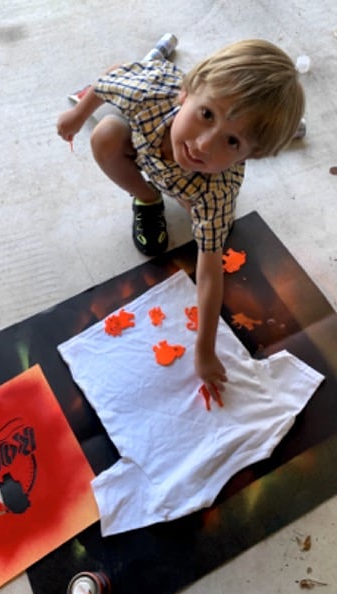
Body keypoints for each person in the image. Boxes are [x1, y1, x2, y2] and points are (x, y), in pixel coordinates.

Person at [57, 39, 305, 399]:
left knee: (212, 220)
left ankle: (276, 135)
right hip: (144, 146)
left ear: (249, 157)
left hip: (196, 185)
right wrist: (78, 115)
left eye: (232, 141)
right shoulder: (149, 93)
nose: (204, 144)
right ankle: (146, 198)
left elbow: (208, 272)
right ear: (186, 92)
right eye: (207, 114)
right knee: (105, 136)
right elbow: (109, 81)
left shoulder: (217, 191)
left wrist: (204, 350)